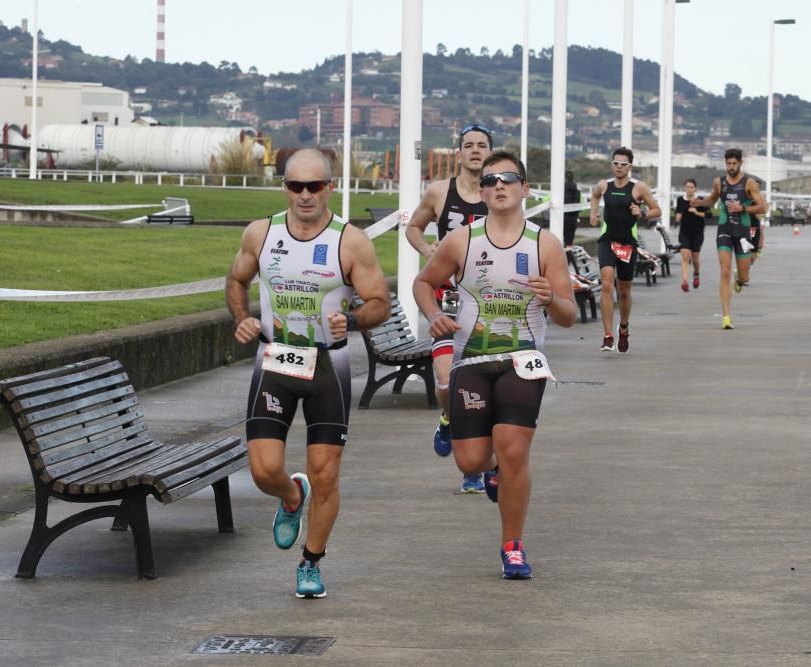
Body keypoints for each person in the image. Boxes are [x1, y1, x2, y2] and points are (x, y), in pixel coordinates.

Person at [226, 149, 390, 599]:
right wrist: (241, 316)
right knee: (263, 470)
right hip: (274, 362)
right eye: (295, 186)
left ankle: (311, 562)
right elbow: (236, 279)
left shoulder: (350, 241)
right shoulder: (261, 233)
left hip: (327, 367)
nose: (304, 195)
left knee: (327, 474)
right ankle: (290, 496)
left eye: (313, 186)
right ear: (284, 187)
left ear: (329, 188)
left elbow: (379, 300)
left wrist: (352, 320)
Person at [412, 150, 576, 579]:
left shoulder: (545, 243)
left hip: (523, 360)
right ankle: (492, 471)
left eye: (508, 178)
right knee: (471, 461)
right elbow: (424, 283)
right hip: (473, 360)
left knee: (515, 450)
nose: (498, 185)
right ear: (481, 192)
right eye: (489, 180)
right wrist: (434, 316)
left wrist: (550, 298)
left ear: (525, 189)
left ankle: (513, 546)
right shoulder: (462, 240)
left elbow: (569, 315)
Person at [405, 123, 492, 493]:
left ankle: (474, 470)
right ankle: (447, 417)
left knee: (485, 390)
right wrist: (428, 251)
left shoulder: (498, 193)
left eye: (482, 146)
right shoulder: (440, 192)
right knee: (446, 383)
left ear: (491, 153)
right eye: (468, 145)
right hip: (448, 300)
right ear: (459, 154)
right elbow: (413, 227)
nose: (475, 151)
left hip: (488, 304)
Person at [588, 147, 661, 352]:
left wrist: (642, 212)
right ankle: (608, 335)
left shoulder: (639, 188)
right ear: (611, 164)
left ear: (630, 166)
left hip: (627, 243)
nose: (619, 167)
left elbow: (658, 210)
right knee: (606, 283)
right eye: (615, 163)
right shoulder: (604, 185)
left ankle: (624, 327)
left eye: (623, 164)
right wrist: (593, 214)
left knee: (624, 291)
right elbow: (594, 197)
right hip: (607, 241)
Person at [691, 148, 768, 330]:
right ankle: (726, 317)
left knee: (744, 276)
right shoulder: (720, 182)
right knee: (724, 272)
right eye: (728, 164)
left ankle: (740, 279)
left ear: (740, 163)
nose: (731, 167)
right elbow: (712, 200)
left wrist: (742, 208)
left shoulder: (749, 183)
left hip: (742, 233)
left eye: (734, 163)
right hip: (724, 230)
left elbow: (763, 207)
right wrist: (699, 203)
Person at [675, 178, 707, 292]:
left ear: (695, 188)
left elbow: (708, 215)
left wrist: (696, 212)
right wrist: (678, 217)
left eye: (691, 187)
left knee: (695, 259)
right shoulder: (680, 200)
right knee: (685, 256)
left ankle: (696, 273)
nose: (689, 189)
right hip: (684, 232)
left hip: (697, 233)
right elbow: (677, 214)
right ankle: (685, 281)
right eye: (687, 187)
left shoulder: (700, 200)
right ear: (685, 188)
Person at [563, 170, 581, 247]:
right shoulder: (577, 190)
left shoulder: (561, 189)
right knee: (570, 241)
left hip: (563, 217)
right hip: (574, 218)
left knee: (562, 239)